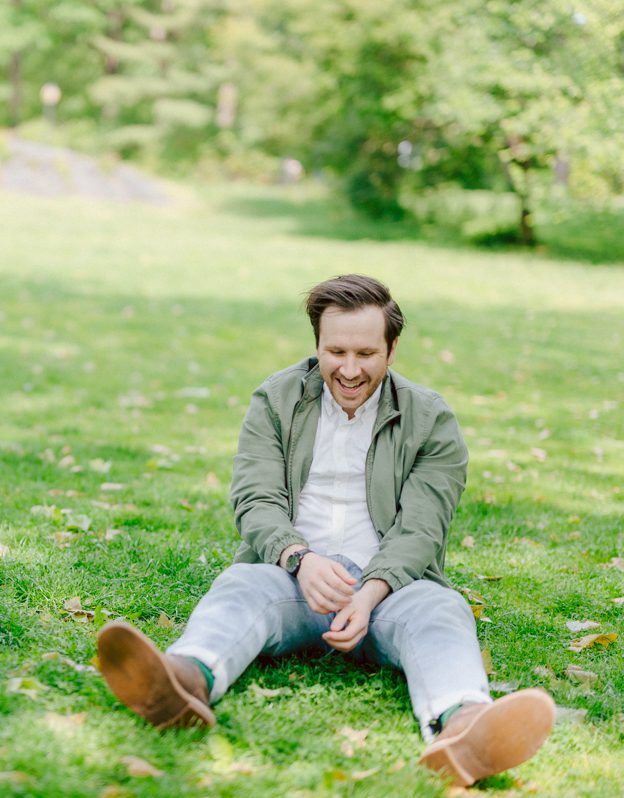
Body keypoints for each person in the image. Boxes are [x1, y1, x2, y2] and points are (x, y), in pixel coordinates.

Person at [97, 275, 555, 787]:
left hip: (389, 590)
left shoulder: (431, 419)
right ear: (317, 345)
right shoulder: (275, 400)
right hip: (292, 579)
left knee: (441, 609)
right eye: (336, 351)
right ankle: (183, 682)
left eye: (366, 352)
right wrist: (300, 557)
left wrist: (370, 593)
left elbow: (422, 527)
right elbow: (257, 498)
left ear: (392, 348)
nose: (351, 369)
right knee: (240, 586)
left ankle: (464, 726)